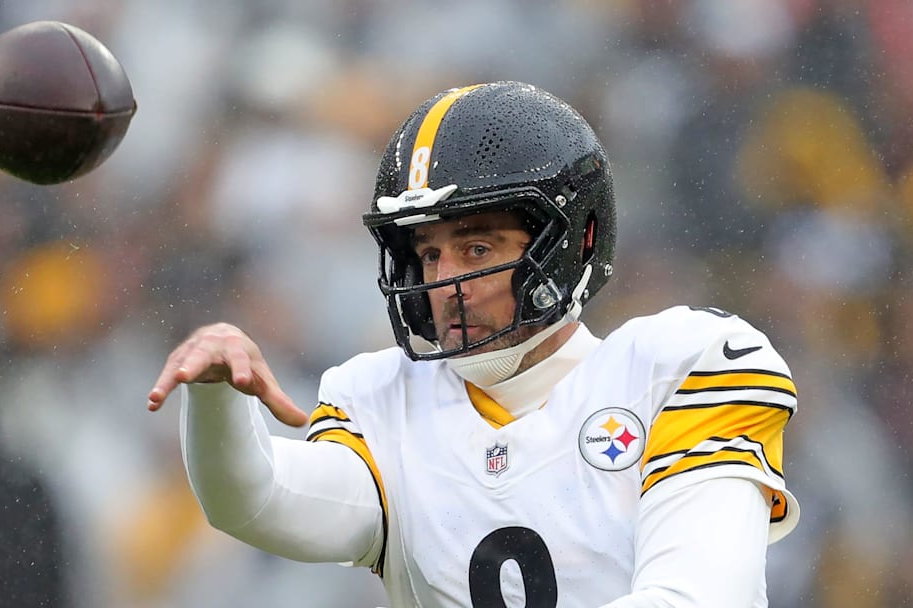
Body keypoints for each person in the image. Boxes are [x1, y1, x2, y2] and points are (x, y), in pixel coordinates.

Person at [147, 81, 799, 607]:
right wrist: (216, 401)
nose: (445, 283)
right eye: (429, 254)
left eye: (477, 247)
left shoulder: (680, 368)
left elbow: (703, 597)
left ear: (576, 240)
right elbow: (259, 500)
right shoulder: (383, 401)